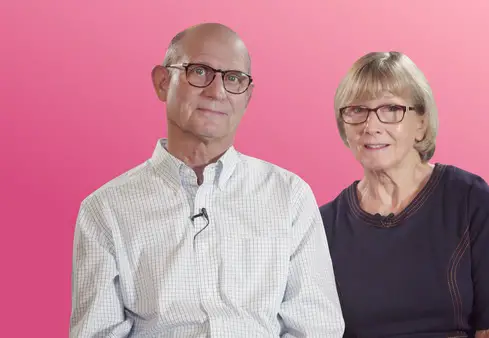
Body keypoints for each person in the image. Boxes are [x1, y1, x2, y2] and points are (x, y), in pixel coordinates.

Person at [69, 23, 344, 338]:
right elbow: (97, 333)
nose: (217, 92)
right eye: (199, 72)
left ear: (248, 96)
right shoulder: (106, 210)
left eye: (233, 79)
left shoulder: (289, 196)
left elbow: (316, 327)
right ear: (162, 82)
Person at [320, 51, 489, 338]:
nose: (371, 126)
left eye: (391, 109)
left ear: (421, 124)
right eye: (357, 110)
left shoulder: (469, 199)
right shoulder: (323, 225)